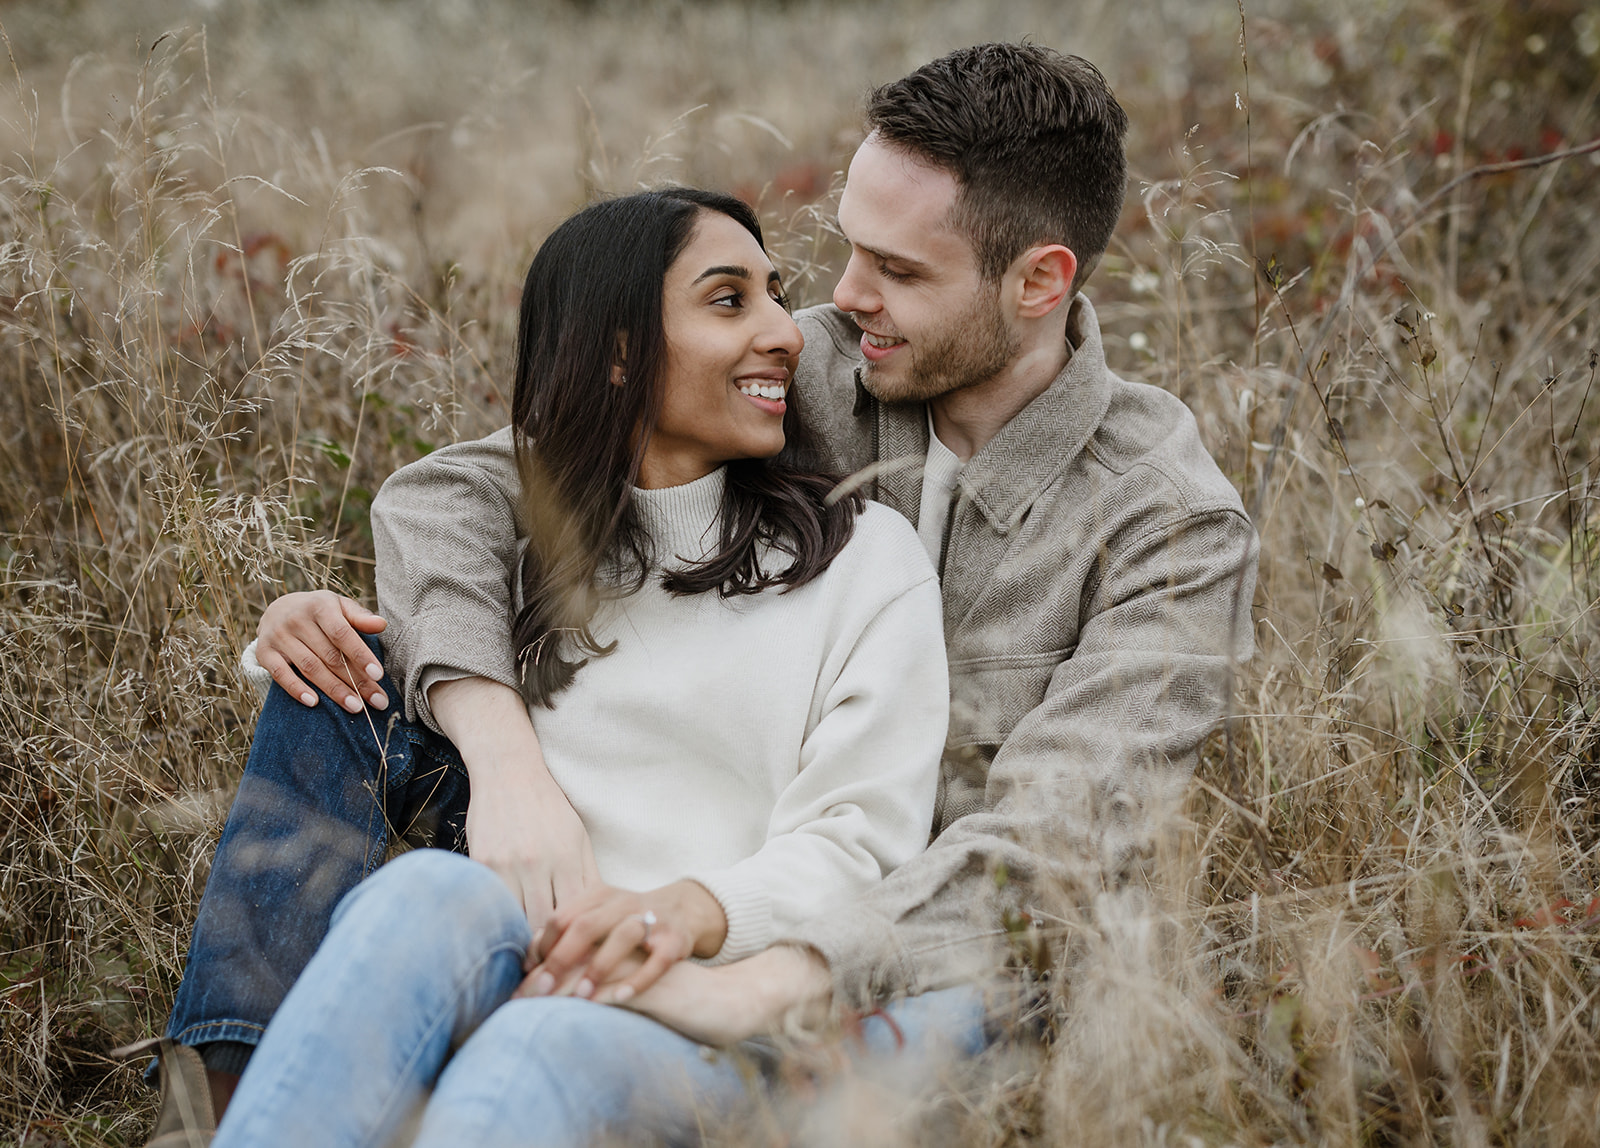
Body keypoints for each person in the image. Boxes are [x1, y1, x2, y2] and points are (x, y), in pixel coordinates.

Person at [141, 39, 1260, 1143]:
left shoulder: (1165, 522)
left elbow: (1052, 842)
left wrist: (748, 965)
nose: (842, 298)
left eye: (902, 272)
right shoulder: (814, 359)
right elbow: (465, 491)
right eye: (849, 250)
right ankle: (239, 1098)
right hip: (665, 855)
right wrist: (506, 757)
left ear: (1039, 281)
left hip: (918, 948)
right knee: (352, 672)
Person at [134, 188, 949, 1146]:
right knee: (425, 891)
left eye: (777, 296)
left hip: (703, 1012)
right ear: (615, 351)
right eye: (730, 302)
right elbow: (372, 673)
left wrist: (672, 926)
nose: (787, 334)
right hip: (515, 962)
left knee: (530, 1049)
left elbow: (861, 846)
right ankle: (209, 1117)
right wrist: (291, 624)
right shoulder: (520, 564)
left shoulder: (866, 561)